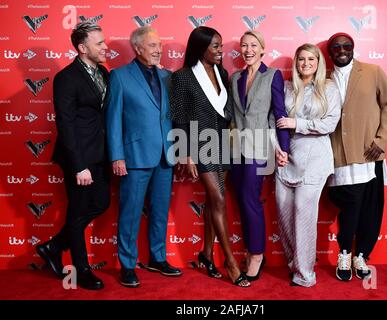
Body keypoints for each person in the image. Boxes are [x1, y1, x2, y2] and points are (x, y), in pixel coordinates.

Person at [170, 26, 250, 287]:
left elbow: (225, 112)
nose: (220, 50)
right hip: (198, 144)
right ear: (200, 47)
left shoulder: (222, 73)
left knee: (214, 201)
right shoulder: (182, 77)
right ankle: (230, 262)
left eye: (221, 45)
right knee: (218, 199)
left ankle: (206, 253)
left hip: (221, 142)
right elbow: (179, 117)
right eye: (215, 46)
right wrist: (185, 154)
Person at [36, 22, 110, 290]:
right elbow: (65, 124)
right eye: (99, 43)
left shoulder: (103, 72)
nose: (105, 46)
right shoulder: (66, 78)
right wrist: (79, 166)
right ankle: (82, 269)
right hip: (78, 157)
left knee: (101, 203)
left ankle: (53, 247)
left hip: (101, 154)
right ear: (82, 48)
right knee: (78, 213)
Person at [106, 26, 181, 288]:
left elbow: (173, 118)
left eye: (159, 45)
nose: (159, 49)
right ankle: (127, 265)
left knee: (159, 212)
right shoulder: (119, 76)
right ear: (137, 48)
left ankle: (157, 258)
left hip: (165, 155)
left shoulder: (168, 77)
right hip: (134, 156)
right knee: (130, 213)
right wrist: (117, 156)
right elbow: (113, 119)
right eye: (152, 46)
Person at [326, 32, 387, 281]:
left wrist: (381, 140)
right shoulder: (323, 77)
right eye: (336, 47)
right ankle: (345, 251)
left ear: (353, 48)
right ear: (330, 51)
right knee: (349, 206)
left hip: (370, 153)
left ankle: (361, 256)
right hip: (339, 154)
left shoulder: (372, 71)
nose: (342, 50)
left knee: (370, 207)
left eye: (347, 46)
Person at [275, 43, 341, 287]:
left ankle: (305, 275)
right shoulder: (285, 87)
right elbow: (274, 120)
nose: (305, 64)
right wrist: (276, 149)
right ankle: (295, 264)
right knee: (284, 214)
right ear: (296, 62)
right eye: (301, 59)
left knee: (304, 214)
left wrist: (297, 124)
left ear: (318, 62)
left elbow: (329, 124)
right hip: (286, 157)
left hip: (315, 158)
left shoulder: (329, 88)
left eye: (311, 59)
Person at [230, 30, 290, 281]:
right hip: (234, 148)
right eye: (244, 45)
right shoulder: (234, 78)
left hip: (260, 147)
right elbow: (232, 115)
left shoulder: (273, 76)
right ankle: (249, 249)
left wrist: (283, 147)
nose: (248, 49)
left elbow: (279, 113)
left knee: (250, 200)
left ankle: (256, 254)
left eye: (253, 45)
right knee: (241, 201)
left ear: (263, 49)